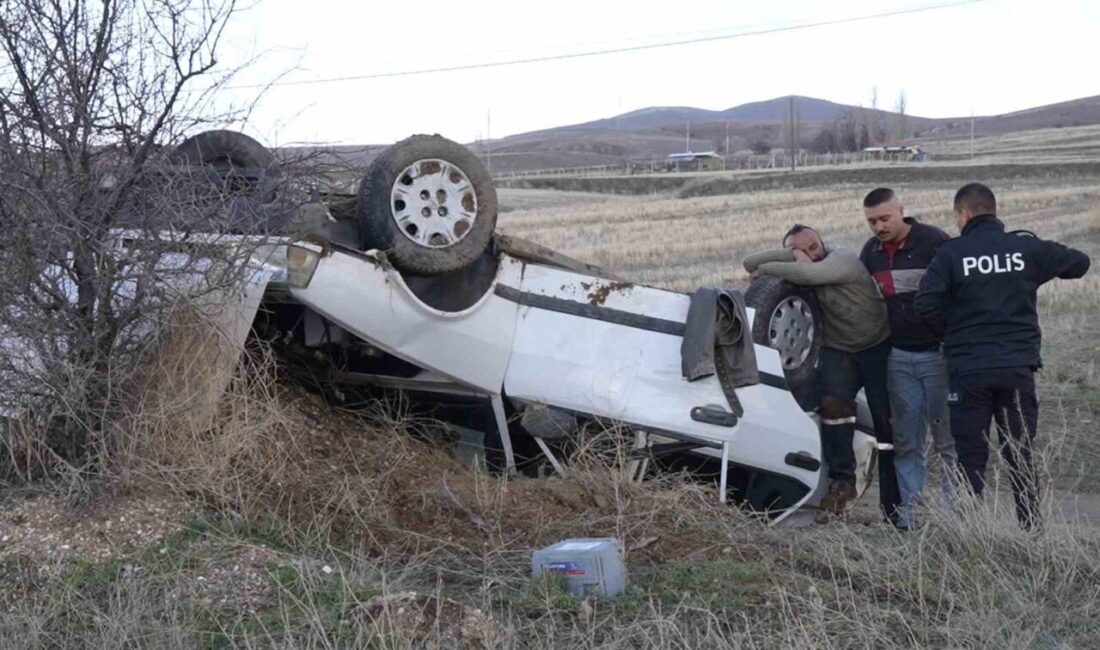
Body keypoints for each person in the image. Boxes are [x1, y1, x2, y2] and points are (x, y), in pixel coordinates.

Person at [915, 183, 1091, 529]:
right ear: (993, 211)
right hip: (1016, 368)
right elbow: (1080, 264)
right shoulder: (1024, 248)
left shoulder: (951, 254)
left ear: (962, 214)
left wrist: (955, 330)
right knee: (1020, 454)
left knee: (971, 459)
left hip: (969, 371)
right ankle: (1031, 531)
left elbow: (925, 306)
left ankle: (970, 533)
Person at [744, 225, 901, 523]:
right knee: (833, 407)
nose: (813, 254)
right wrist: (790, 255)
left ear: (823, 242)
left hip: (875, 345)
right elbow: (748, 262)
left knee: (886, 421)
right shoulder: (800, 259)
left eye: (815, 246)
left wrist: (769, 268)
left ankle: (896, 502)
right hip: (838, 347)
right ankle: (842, 482)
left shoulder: (842, 259)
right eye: (805, 250)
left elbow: (811, 275)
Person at [860, 188, 957, 529]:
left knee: (948, 440)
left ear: (901, 210)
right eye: (872, 221)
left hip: (939, 355)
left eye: (884, 218)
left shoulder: (935, 242)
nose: (878, 226)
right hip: (898, 358)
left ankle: (955, 519)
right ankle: (911, 519)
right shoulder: (870, 253)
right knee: (906, 441)